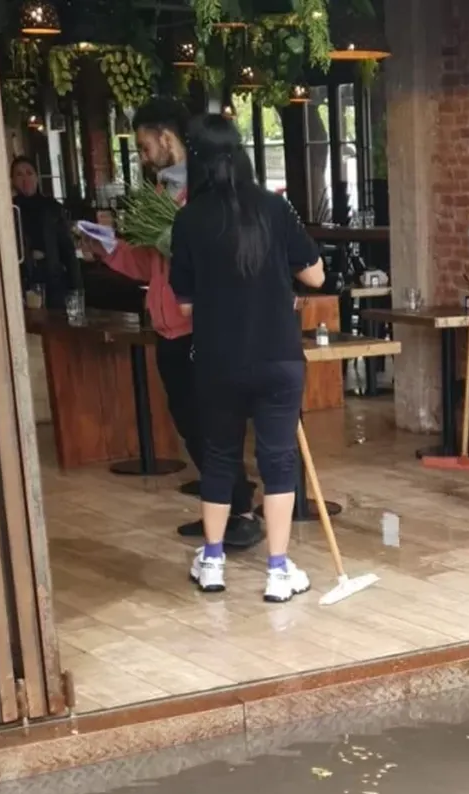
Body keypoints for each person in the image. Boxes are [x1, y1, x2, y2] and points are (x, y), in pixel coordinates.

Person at [85, 98, 261, 549]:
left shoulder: (205, 197)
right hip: (167, 330)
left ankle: (239, 512)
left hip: (200, 330)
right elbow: (148, 266)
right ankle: (226, 511)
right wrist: (106, 248)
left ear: (167, 139)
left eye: (145, 147)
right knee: (190, 427)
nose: (143, 158)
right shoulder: (161, 198)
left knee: (211, 428)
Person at [169, 114, 325, 601]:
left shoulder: (188, 219)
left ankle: (213, 562)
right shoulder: (275, 210)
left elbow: (185, 302)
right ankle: (278, 571)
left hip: (219, 360)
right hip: (278, 356)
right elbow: (316, 276)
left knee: (219, 456)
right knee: (278, 459)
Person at [11, 156, 81, 309]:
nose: (25, 178)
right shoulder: (10, 209)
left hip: (53, 280)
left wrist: (76, 288)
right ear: (12, 180)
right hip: (21, 281)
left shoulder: (52, 207)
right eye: (19, 174)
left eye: (29, 173)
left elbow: (67, 250)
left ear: (36, 177)